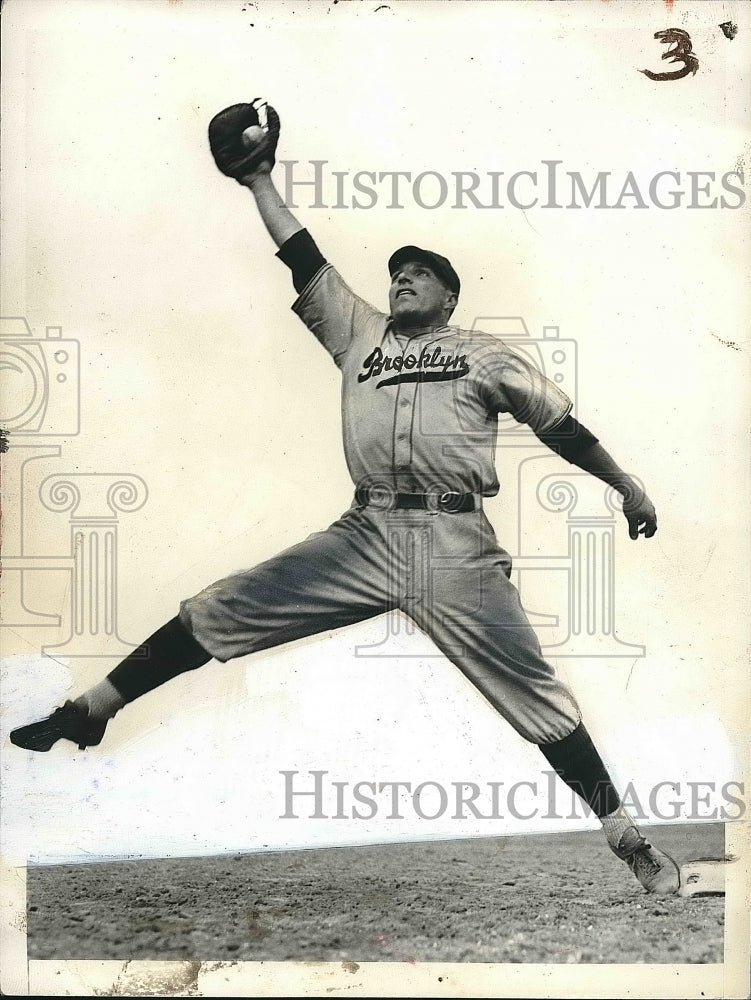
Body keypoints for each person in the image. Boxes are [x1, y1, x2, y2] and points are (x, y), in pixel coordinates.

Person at [11, 100, 679, 896]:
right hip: (363, 532)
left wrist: (625, 485)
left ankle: (624, 832)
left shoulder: (480, 353)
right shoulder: (358, 333)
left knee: (532, 693)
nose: (401, 278)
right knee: (221, 605)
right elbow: (302, 257)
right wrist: (257, 179)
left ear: (448, 297)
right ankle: (91, 709)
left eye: (419, 272)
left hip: (452, 545)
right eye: (396, 270)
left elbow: (558, 425)